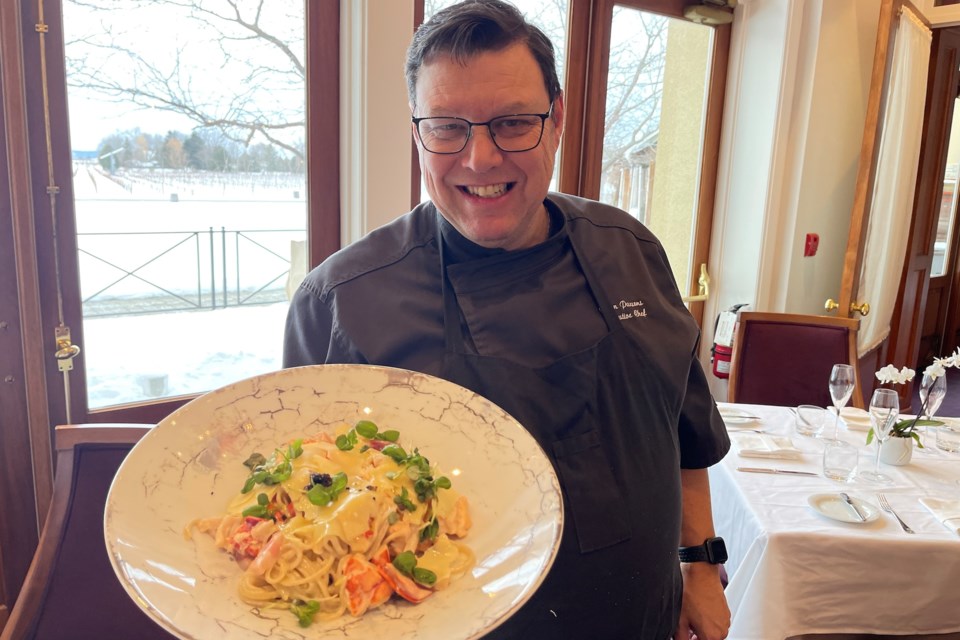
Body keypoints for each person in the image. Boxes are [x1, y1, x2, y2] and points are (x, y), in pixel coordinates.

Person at [284, 1, 731, 638]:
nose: (482, 158)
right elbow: (312, 518)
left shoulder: (631, 250)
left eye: (514, 123)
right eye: (447, 128)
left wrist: (701, 570)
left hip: (643, 616)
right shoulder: (339, 304)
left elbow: (685, 436)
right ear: (418, 133)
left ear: (557, 120)